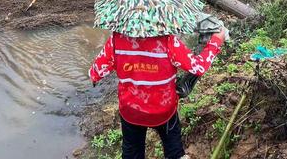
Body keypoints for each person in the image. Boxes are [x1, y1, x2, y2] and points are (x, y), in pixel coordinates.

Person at [89, 28, 227, 159]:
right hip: (164, 110)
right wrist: (216, 40)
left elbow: (97, 70)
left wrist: (94, 76)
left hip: (131, 111)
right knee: (174, 151)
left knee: (132, 152)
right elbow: (198, 66)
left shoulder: (116, 39)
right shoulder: (168, 41)